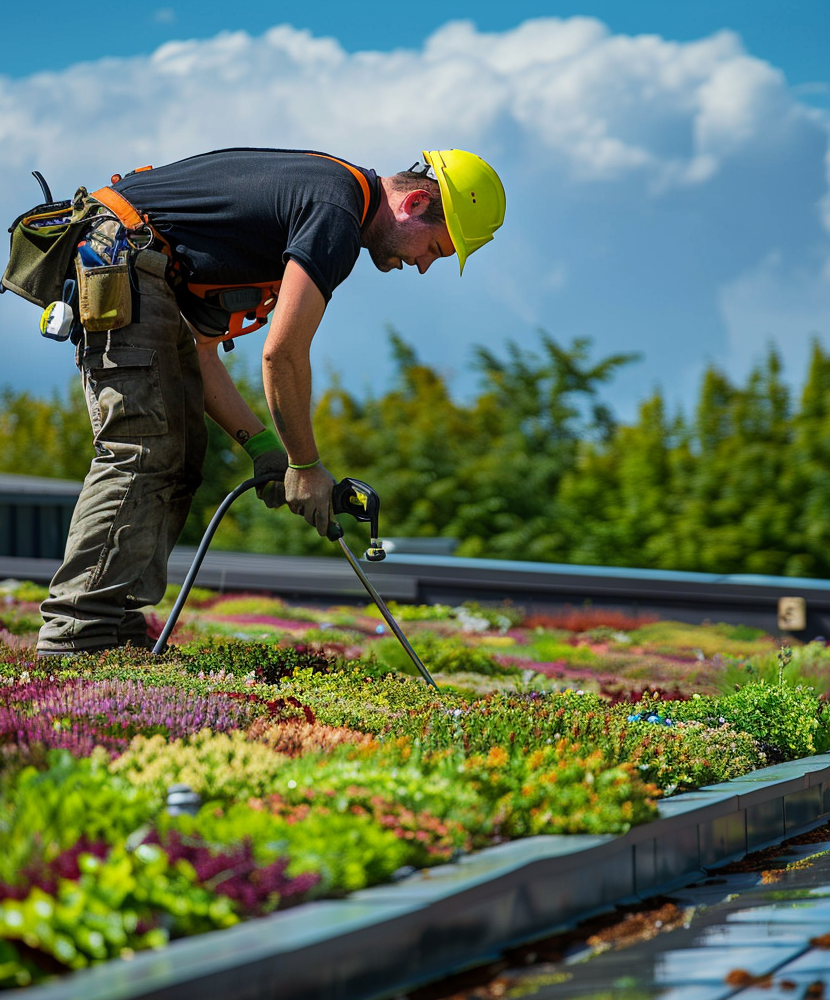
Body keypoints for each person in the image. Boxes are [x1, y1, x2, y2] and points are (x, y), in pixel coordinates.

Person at [34, 147, 506, 655]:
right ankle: (77, 631)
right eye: (436, 247)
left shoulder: (322, 198)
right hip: (120, 258)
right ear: (414, 204)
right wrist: (305, 465)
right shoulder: (337, 212)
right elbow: (281, 355)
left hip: (137, 264)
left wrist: (263, 447)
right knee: (143, 450)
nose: (422, 267)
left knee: (180, 455)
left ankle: (113, 628)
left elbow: (201, 354)